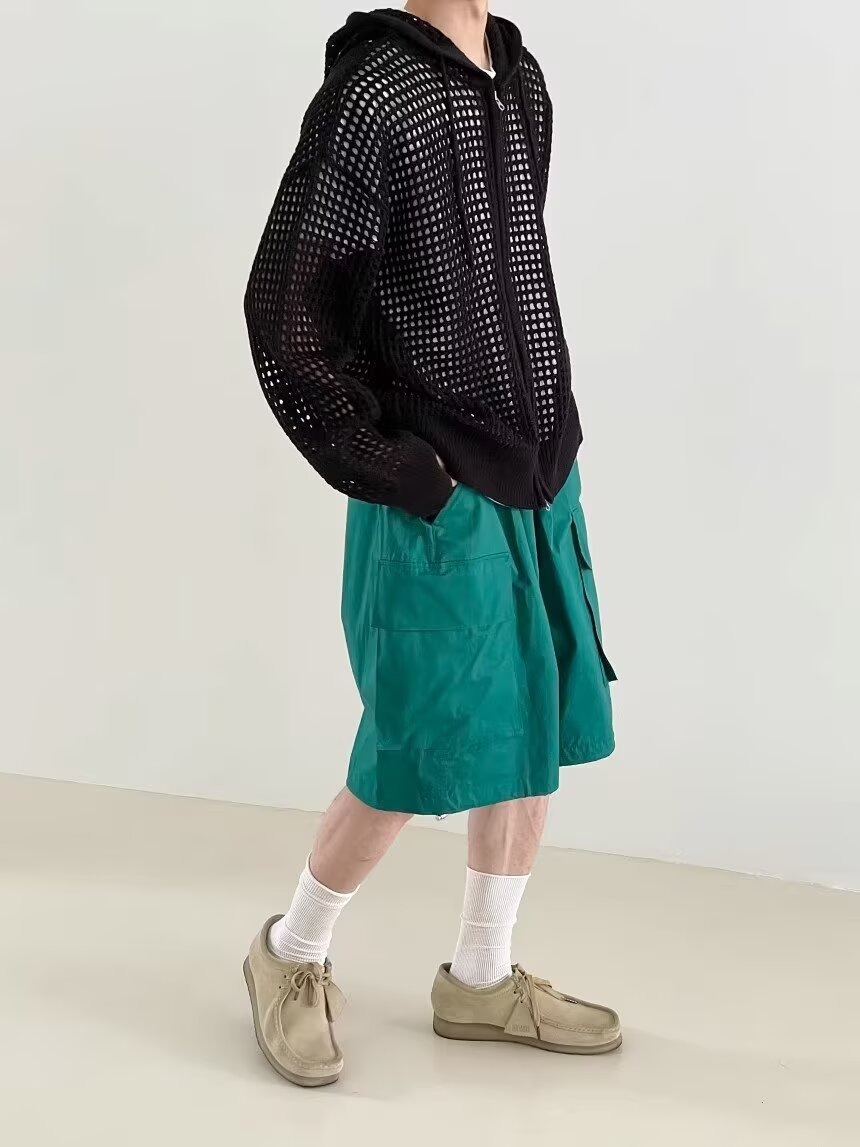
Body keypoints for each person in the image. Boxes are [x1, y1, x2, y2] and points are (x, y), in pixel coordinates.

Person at [242, 1, 619, 1088]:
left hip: (538, 467)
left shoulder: (520, 77)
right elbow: (284, 311)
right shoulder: (374, 91)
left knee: (533, 720)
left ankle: (481, 975)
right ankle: (290, 952)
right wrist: (399, 468)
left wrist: (553, 432)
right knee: (416, 742)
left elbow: (501, 274)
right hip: (434, 489)